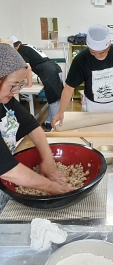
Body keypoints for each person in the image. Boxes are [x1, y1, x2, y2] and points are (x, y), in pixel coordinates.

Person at [0, 43, 74, 194]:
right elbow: (7, 169)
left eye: (19, 86)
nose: (15, 92)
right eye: (13, 85)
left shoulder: (6, 101)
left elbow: (32, 125)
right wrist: (54, 187)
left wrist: (48, 160)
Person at [52, 24, 113, 127]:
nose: (96, 56)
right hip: (92, 106)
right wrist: (60, 112)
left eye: (101, 53)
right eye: (93, 52)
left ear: (109, 45)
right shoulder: (81, 60)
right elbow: (69, 88)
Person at [9, 36, 64, 132]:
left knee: (54, 100)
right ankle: (48, 122)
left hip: (49, 73)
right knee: (53, 99)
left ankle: (56, 128)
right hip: (55, 69)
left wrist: (29, 85)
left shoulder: (21, 50)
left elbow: (28, 68)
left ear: (15, 46)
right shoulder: (27, 46)